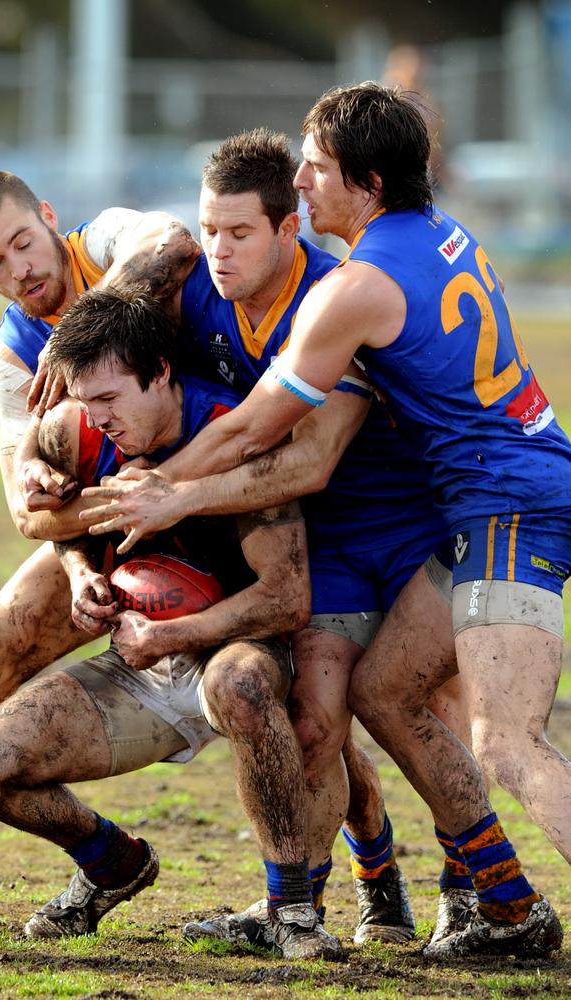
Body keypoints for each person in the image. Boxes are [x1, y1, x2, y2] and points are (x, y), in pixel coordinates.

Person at [77, 96, 569, 960]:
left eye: (316, 164)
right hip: (504, 493)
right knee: (380, 693)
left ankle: (482, 897)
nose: (300, 180)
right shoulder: (438, 232)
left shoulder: (352, 288)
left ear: (367, 182)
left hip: (505, 507)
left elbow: (259, 431)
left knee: (508, 741)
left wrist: (162, 491)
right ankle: (507, 904)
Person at [0, 287, 344, 961]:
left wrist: (168, 635)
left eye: (108, 400)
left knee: (247, 691)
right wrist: (80, 575)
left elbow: (285, 599)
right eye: (83, 400)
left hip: (234, 647)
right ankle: (114, 864)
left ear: (160, 373)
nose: (95, 419)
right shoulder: (76, 431)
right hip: (140, 661)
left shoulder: (232, 437)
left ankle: (294, 911)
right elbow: (47, 499)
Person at [0, 171, 199, 929]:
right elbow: (27, 506)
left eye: (23, 243)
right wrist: (46, 487)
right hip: (114, 526)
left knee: (313, 699)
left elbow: (174, 240)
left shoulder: (102, 240)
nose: (20, 271)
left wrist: (83, 333)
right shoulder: (9, 357)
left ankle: (380, 881)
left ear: (49, 218)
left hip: (218, 506)